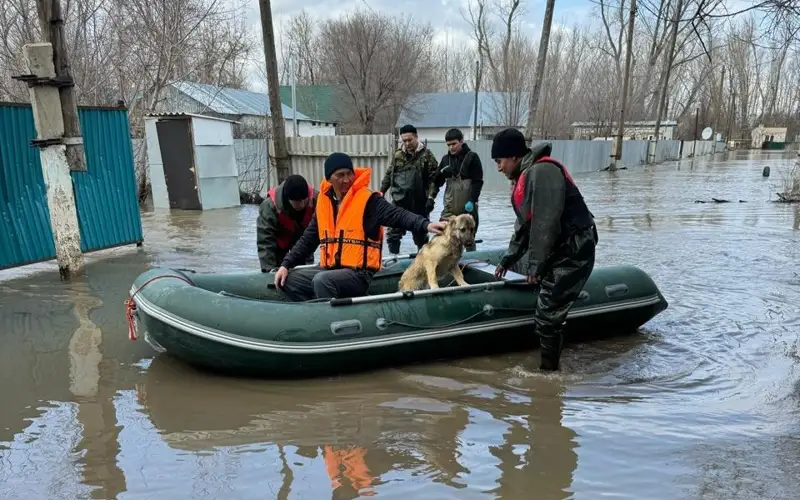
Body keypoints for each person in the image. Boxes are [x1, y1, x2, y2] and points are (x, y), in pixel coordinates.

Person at [490, 128, 598, 371]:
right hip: (561, 247)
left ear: (514, 156)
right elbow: (525, 227)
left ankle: (549, 376)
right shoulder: (529, 174)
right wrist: (508, 259)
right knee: (547, 311)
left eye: (499, 161)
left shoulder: (543, 172)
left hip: (574, 249)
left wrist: (535, 267)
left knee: (547, 315)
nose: (498, 168)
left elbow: (544, 223)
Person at [274, 152, 447, 301]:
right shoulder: (324, 203)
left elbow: (398, 215)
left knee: (322, 281)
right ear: (329, 179)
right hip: (331, 269)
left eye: (349, 174)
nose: (346, 180)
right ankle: (317, 309)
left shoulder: (369, 200)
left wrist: (426, 224)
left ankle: (330, 320)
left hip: (358, 274)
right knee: (289, 281)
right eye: (340, 175)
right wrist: (286, 265)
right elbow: (307, 240)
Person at [380, 124, 439, 255]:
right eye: (404, 140)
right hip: (399, 202)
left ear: (416, 137)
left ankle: (423, 259)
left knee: (420, 235)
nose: (407, 143)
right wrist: (382, 191)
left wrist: (431, 198)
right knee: (393, 235)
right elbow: (390, 173)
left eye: (410, 140)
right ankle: (394, 259)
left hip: (419, 203)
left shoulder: (427, 155)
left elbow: (435, 180)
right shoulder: (398, 155)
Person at [429, 128, 484, 251]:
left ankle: (470, 260)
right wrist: (431, 198)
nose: (451, 147)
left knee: (468, 241)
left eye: (454, 144)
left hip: (467, 209)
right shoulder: (445, 160)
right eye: (448, 145)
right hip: (449, 210)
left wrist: (472, 200)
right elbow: (436, 183)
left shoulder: (472, 157)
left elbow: (478, 182)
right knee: (443, 238)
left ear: (461, 141)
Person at [256, 174, 317, 272]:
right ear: (288, 199)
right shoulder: (269, 207)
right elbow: (265, 242)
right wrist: (269, 271)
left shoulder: (316, 199)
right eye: (298, 202)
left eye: (304, 200)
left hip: (304, 240)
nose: (302, 204)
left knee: (305, 267)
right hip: (279, 242)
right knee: (275, 268)